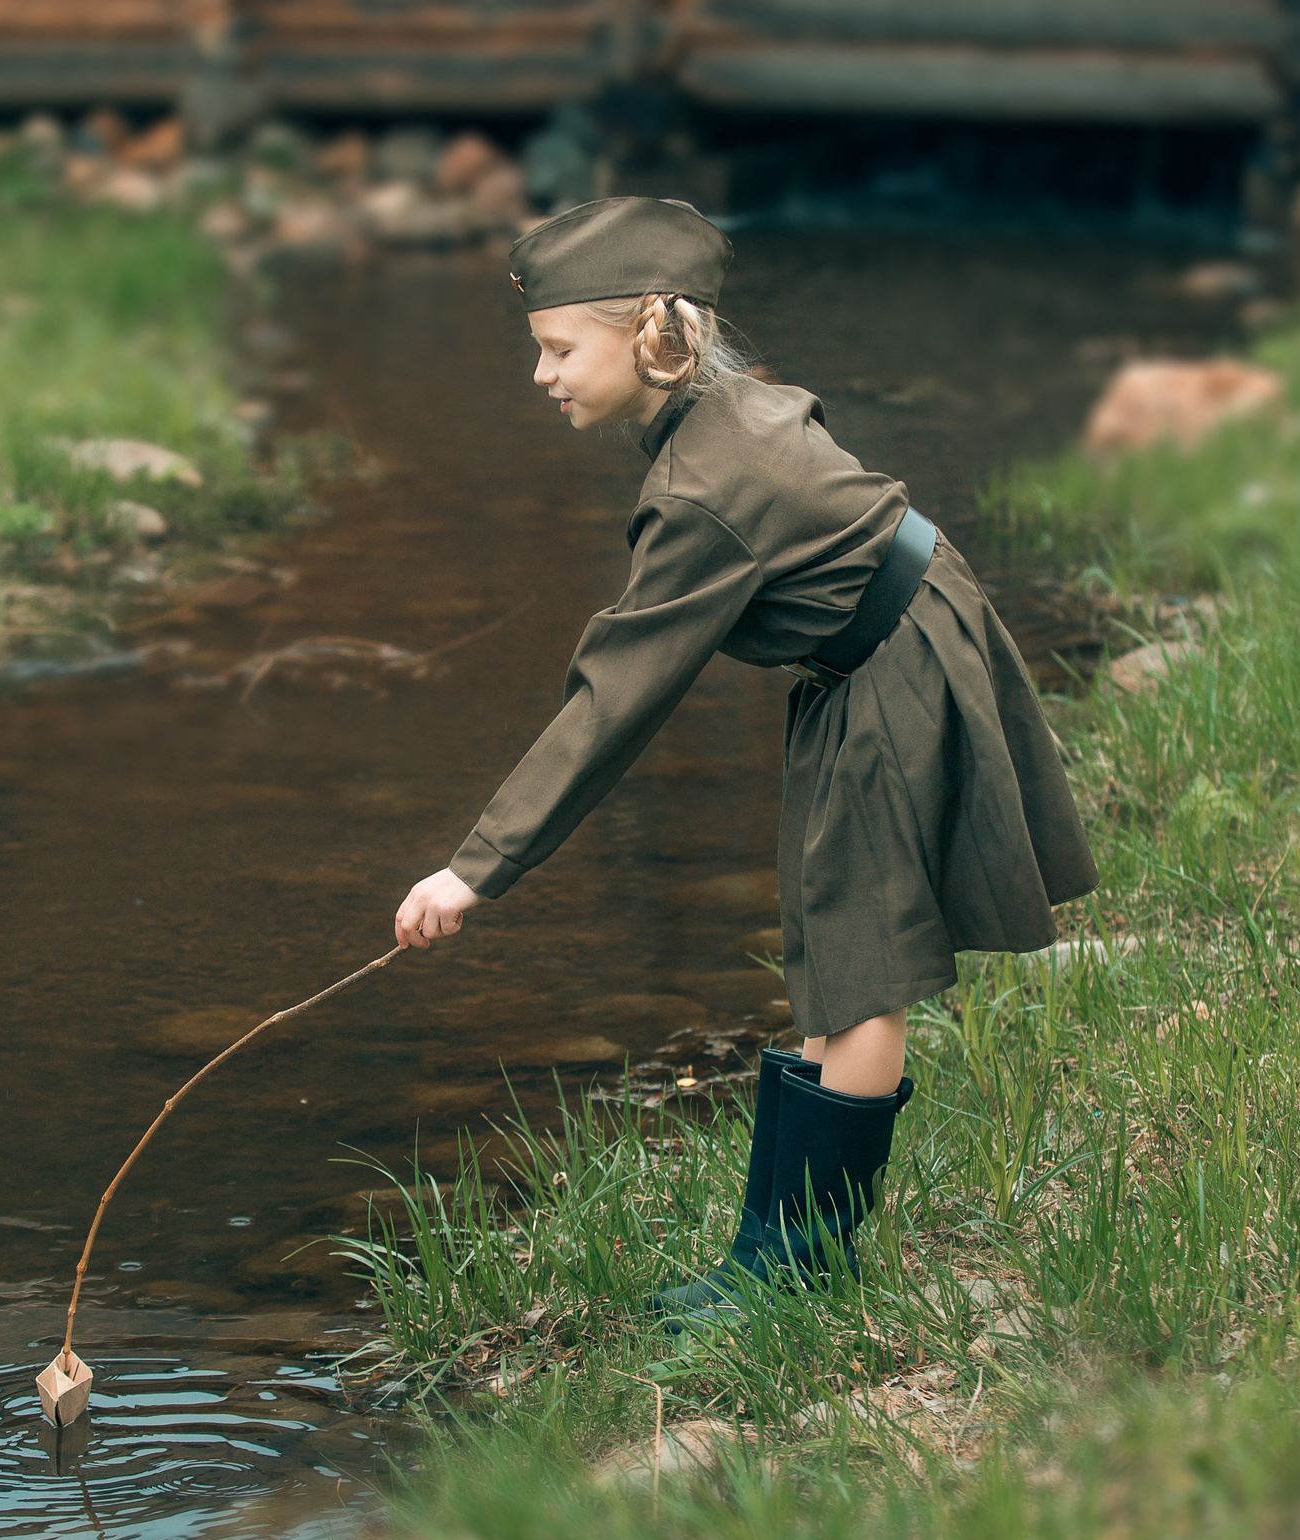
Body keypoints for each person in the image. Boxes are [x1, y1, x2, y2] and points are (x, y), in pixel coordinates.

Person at [393, 197, 1096, 1329]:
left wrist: (474, 870)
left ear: (653, 336)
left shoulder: (701, 498)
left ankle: (801, 1274)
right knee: (828, 948)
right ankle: (771, 1255)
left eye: (558, 348)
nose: (542, 376)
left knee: (864, 968)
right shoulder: (716, 411)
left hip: (892, 664)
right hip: (872, 652)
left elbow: (612, 699)